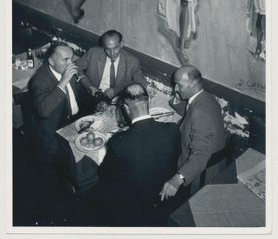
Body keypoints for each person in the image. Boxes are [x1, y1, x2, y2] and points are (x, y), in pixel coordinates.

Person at [82, 83, 181, 226]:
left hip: (132, 203)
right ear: (148, 102)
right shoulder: (172, 129)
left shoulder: (118, 142)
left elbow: (106, 176)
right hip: (162, 195)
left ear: (126, 108)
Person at [160, 65, 225, 206]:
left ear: (194, 83)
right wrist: (177, 99)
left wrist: (176, 180)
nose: (175, 89)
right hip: (216, 157)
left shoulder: (199, 113)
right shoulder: (206, 98)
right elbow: (191, 113)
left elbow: (201, 154)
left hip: (201, 174)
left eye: (179, 85)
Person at [29, 42, 87, 163]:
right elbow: (43, 110)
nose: (71, 64)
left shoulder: (71, 69)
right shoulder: (40, 80)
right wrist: (63, 81)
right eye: (65, 60)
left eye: (72, 58)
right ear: (51, 61)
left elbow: (82, 94)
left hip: (74, 123)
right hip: (53, 130)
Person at [76, 30, 147, 103]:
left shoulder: (132, 61)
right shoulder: (93, 53)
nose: (112, 53)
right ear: (103, 46)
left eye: (115, 48)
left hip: (117, 99)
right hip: (91, 96)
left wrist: (117, 91)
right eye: (107, 49)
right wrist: (89, 86)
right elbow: (76, 67)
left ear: (121, 44)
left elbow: (141, 83)